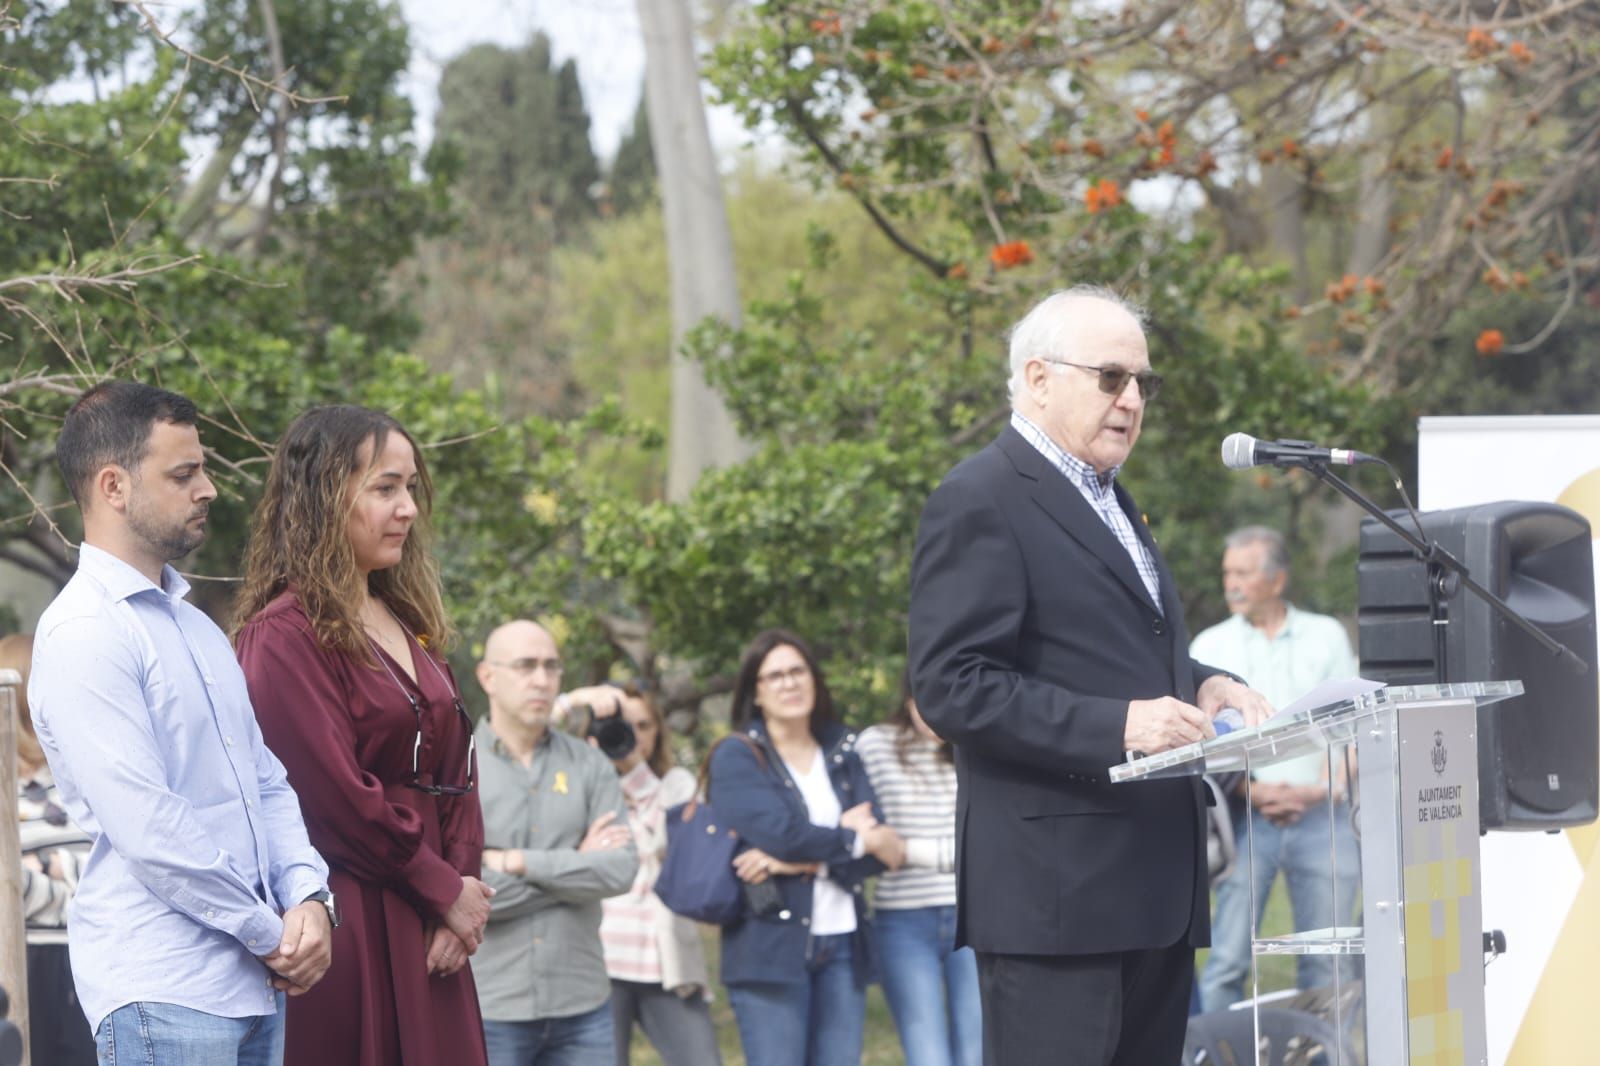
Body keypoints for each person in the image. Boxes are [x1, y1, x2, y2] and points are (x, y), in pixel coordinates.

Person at [906, 287, 1274, 1066]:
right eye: (1111, 377)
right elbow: (951, 685)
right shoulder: (981, 497)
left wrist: (1202, 681)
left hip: (1153, 892)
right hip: (1058, 905)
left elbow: (1112, 649)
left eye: (1144, 382)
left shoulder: (1113, 500)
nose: (1133, 399)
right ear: (1039, 379)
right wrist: (1121, 726)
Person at [29, 381, 334, 1065]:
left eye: (203, 470)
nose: (209, 490)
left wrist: (310, 898)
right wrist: (271, 930)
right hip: (163, 990)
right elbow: (150, 829)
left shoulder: (196, 628)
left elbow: (266, 780)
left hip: (254, 986)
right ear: (114, 485)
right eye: (183, 473)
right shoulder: (83, 632)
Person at [234, 404, 492, 1066]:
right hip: (352, 911)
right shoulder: (282, 637)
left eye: (409, 488)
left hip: (433, 919)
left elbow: (457, 771)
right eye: (384, 488)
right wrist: (440, 888)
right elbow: (332, 797)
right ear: (324, 497)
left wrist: (458, 897)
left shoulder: (408, 623)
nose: (406, 507)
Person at [710, 628, 904, 1066]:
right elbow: (782, 835)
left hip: (841, 944)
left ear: (814, 679)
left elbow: (882, 853)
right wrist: (848, 836)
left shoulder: (843, 752)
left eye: (798, 671)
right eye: (774, 675)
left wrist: (797, 863)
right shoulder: (737, 756)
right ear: (755, 692)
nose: (789, 683)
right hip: (769, 949)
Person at [1193, 526, 1361, 1012]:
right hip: (1246, 817)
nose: (1232, 583)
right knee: (1226, 959)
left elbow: (1352, 721)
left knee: (1328, 961)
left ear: (1277, 579)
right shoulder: (1211, 646)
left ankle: (1325, 1055)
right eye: (1228, 573)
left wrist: (1327, 790)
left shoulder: (1326, 634)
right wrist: (1253, 790)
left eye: (1243, 573)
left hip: (1323, 817)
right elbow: (1204, 741)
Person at [471, 619, 640, 1066]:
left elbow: (619, 870)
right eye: (526, 666)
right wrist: (576, 866)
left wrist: (513, 861)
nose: (541, 680)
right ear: (488, 676)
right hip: (489, 1006)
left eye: (551, 667)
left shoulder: (591, 764)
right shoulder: (457, 770)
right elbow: (460, 893)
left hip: (583, 1005)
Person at [593, 681, 723, 1066]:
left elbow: (677, 848)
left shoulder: (676, 784)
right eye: (624, 725)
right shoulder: (584, 788)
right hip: (600, 961)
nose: (633, 736)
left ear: (658, 731)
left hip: (665, 962)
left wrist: (633, 769)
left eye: (644, 725)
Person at [856, 675, 980, 1066]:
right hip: (903, 922)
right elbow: (861, 828)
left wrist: (905, 849)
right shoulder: (874, 745)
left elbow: (979, 851)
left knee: (976, 1049)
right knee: (927, 1051)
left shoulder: (975, 747)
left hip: (973, 917)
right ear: (909, 698)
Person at [5, 632, 96, 1066]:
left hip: (90, 962)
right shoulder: (6, 797)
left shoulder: (80, 784)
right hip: (23, 966)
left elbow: (110, 875)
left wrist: (39, 867)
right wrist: (61, 880)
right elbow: (7, 894)